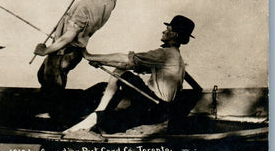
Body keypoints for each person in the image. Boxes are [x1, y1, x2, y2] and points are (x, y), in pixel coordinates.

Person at [63, 15, 195, 135]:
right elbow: (130, 65)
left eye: (168, 29)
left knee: (119, 74)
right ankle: (99, 112)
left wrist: (89, 55)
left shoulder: (164, 54)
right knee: (119, 71)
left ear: (175, 35)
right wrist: (99, 61)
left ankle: (97, 112)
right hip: (160, 106)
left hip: (154, 106)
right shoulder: (175, 56)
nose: (163, 31)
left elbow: (124, 58)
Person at [34, 0, 117, 114]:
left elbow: (68, 38)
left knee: (53, 83)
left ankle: (52, 116)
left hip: (64, 51)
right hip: (78, 49)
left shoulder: (83, 7)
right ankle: (49, 106)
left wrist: (45, 51)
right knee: (44, 76)